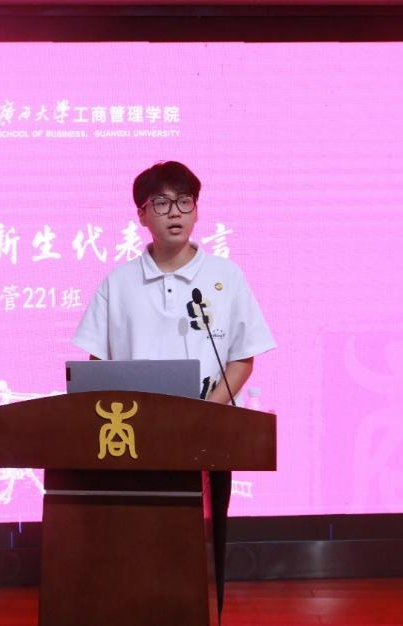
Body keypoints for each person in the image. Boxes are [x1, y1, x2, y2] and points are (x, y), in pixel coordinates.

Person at [72, 160, 276, 617]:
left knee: (202, 548)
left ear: (197, 210)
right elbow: (97, 363)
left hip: (206, 437)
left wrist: (205, 412)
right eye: (161, 203)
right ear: (142, 215)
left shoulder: (226, 277)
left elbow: (243, 357)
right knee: (134, 547)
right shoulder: (118, 283)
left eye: (185, 201)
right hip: (133, 441)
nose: (175, 212)